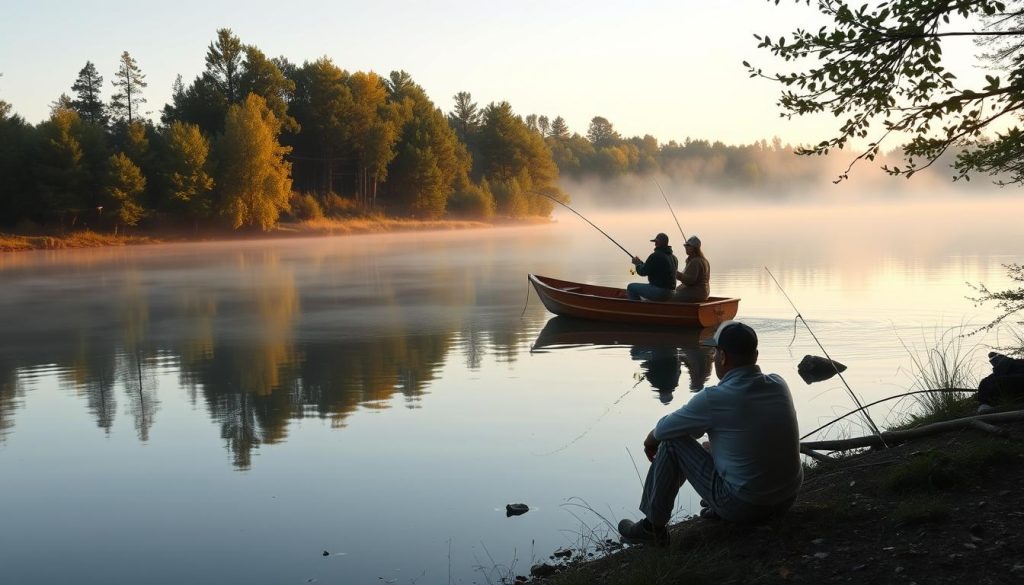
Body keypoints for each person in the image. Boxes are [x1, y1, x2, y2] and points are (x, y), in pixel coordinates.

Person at [618, 321, 803, 545]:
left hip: (747, 506)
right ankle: (717, 509)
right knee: (711, 445)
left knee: (672, 442)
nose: (713, 358)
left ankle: (651, 527)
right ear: (755, 355)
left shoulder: (715, 398)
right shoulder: (778, 383)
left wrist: (650, 440)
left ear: (722, 357)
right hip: (785, 499)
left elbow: (666, 429)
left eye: (714, 352)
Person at [627, 233, 678, 301]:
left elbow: (643, 272)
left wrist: (637, 264)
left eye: (656, 242)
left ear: (659, 243)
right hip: (672, 293)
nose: (655, 244)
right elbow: (651, 267)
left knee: (631, 287)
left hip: (660, 292)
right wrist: (640, 263)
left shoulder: (656, 255)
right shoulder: (674, 258)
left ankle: (636, 309)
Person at [673, 235, 710, 302]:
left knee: (667, 296)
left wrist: (675, 273)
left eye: (688, 246)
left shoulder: (695, 261)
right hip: (703, 293)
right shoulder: (704, 260)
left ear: (694, 248)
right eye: (685, 245)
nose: (686, 247)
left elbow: (689, 281)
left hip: (695, 294)